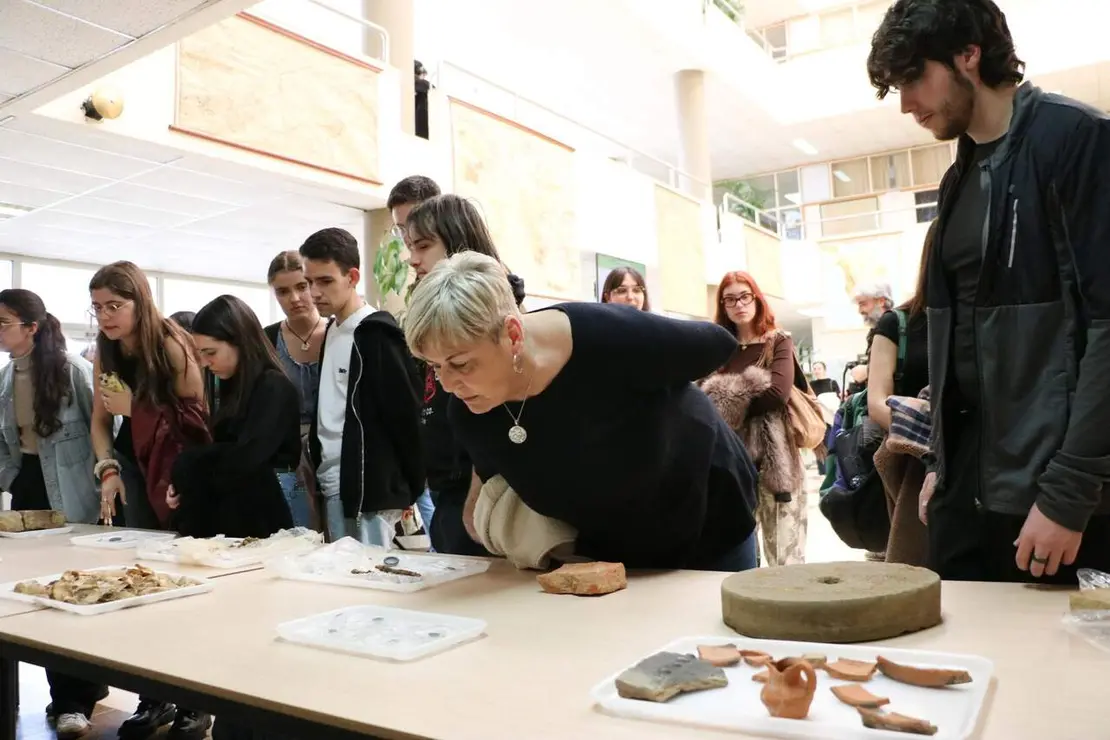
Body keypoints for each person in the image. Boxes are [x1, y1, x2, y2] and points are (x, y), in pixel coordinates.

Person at [869, 0, 1110, 582]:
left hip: (1054, 504)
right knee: (964, 667)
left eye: (912, 78)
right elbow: (968, 345)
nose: (905, 104)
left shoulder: (1076, 140)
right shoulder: (959, 178)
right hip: (965, 500)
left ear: (968, 55)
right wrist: (947, 465)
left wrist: (1069, 492)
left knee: (1057, 672)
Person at [403, 251, 758, 571]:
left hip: (712, 518)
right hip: (621, 552)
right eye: (434, 366)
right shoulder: (471, 413)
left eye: (460, 363)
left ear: (512, 334)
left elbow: (715, 344)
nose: (447, 383)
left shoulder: (601, 335)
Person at [88, 262, 212, 740]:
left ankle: (195, 703)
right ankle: (153, 697)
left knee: (182, 583)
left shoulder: (172, 343)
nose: (105, 316)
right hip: (135, 465)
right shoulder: (107, 348)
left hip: (176, 469)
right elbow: (102, 422)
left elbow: (194, 418)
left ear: (140, 300)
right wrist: (109, 469)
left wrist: (134, 407)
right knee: (140, 583)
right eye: (97, 307)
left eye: (115, 306)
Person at [0, 289, 107, 738]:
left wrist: (106, 488)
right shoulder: (7, 377)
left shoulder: (74, 370)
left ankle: (74, 701)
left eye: (4, 322)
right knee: (38, 598)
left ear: (32, 326)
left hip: (72, 490)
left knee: (73, 596)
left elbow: (105, 430)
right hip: (28, 488)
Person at [403, 194, 526, 555]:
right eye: (410, 247)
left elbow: (498, 416)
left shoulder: (501, 308)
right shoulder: (429, 307)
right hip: (445, 487)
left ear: (458, 240)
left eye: (424, 246)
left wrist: (476, 494)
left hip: (483, 490)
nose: (413, 260)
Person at [300, 228, 426, 547]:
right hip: (333, 485)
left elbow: (406, 417)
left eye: (325, 281)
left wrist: (407, 488)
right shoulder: (331, 330)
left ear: (352, 276)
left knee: (378, 578)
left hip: (373, 492)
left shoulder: (376, 334)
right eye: (309, 282)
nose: (314, 293)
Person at [168, 295, 299, 540]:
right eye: (201, 355)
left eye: (211, 352)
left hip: (269, 514)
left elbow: (246, 458)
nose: (205, 363)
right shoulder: (233, 388)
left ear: (239, 341)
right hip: (243, 513)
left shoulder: (274, 386)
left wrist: (189, 468)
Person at [701, 271, 808, 567]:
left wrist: (723, 397)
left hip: (778, 464)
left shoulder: (777, 341)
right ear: (723, 305)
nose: (739, 304)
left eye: (745, 296)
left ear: (757, 298)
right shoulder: (718, 348)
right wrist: (749, 390)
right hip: (731, 464)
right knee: (740, 560)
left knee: (785, 560)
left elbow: (777, 393)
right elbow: (700, 397)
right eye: (730, 299)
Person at [867, 222, 934, 567]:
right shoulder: (899, 322)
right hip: (912, 462)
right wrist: (928, 433)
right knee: (916, 563)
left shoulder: (983, 320)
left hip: (981, 458)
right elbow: (876, 399)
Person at [264, 250, 324, 529]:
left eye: (302, 287)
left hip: (333, 448)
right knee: (299, 534)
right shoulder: (267, 339)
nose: (295, 298)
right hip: (286, 455)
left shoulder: (339, 331)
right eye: (283, 291)